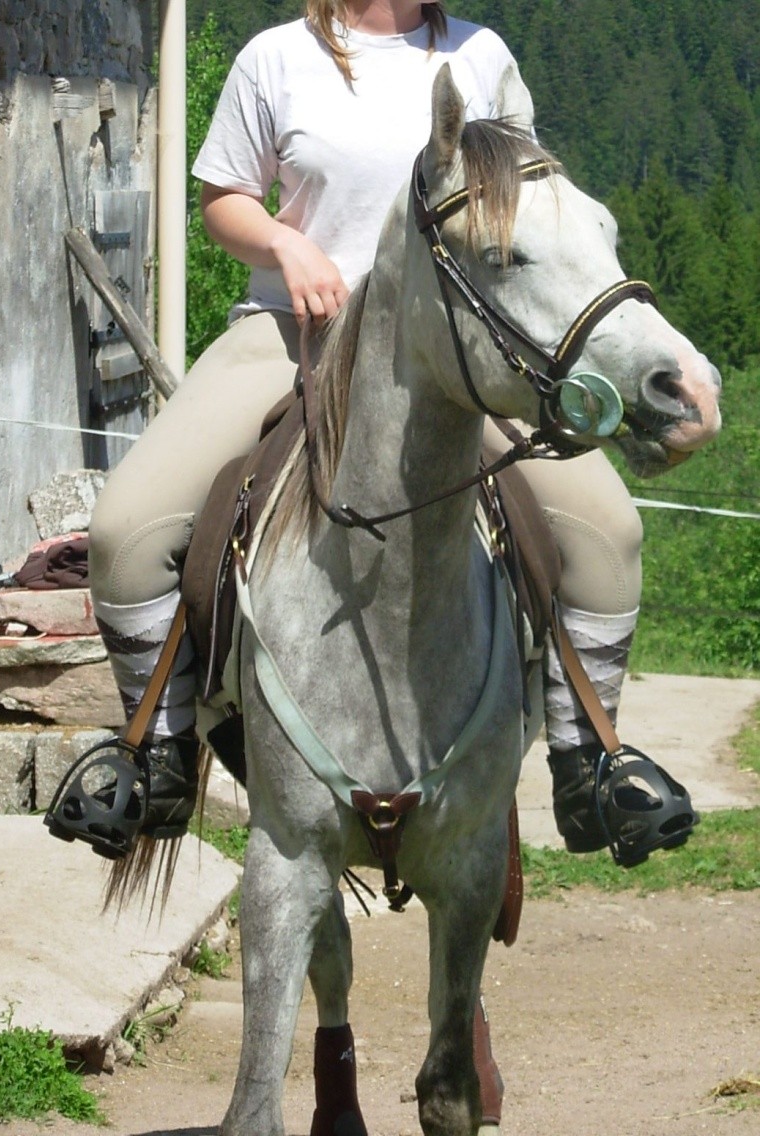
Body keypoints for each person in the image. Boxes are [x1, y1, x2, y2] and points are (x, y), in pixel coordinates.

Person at [69, 0, 690, 861]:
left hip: (452, 352)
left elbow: (527, 211)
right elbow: (224, 202)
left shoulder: (483, 58)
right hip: (294, 330)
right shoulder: (276, 57)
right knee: (124, 532)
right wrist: (288, 251)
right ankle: (160, 758)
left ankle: (589, 765)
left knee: (610, 534)